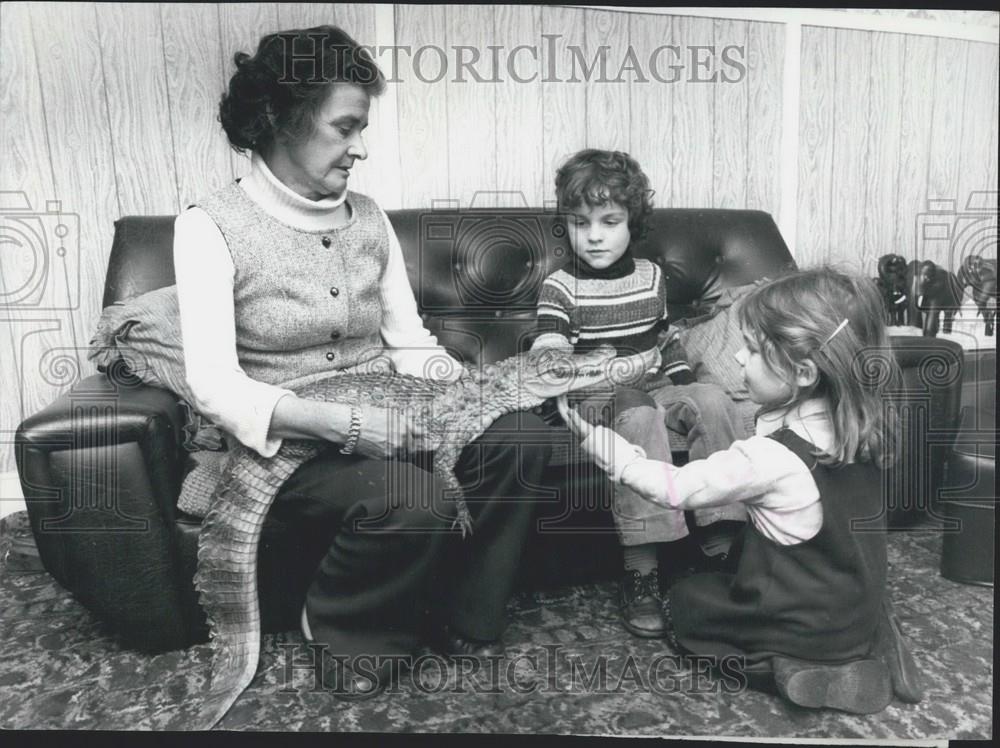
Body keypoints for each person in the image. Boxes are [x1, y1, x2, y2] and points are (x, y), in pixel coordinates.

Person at [173, 26, 553, 698]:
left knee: (521, 435)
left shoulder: (370, 218)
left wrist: (475, 392)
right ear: (279, 122)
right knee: (416, 495)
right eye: (345, 126)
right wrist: (346, 424)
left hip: (391, 412)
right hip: (289, 446)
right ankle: (344, 630)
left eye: (362, 127)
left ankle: (462, 611)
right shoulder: (209, 225)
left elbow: (409, 346)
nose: (361, 147)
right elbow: (214, 386)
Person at [563, 266, 924, 713]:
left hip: (793, 620)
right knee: (809, 590)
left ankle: (782, 667)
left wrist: (608, 448)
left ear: (805, 372)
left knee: (688, 602)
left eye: (751, 350)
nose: (736, 360)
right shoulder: (863, 430)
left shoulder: (768, 458)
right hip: (848, 606)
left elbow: (674, 488)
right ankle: (870, 638)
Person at [532, 149, 746, 639]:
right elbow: (550, 352)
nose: (595, 235)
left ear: (633, 222)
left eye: (610, 221)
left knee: (711, 400)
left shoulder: (651, 278)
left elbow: (666, 342)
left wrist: (683, 387)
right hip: (595, 401)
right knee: (638, 411)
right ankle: (642, 568)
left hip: (652, 388)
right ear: (567, 226)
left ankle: (723, 550)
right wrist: (555, 361)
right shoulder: (560, 287)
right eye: (581, 223)